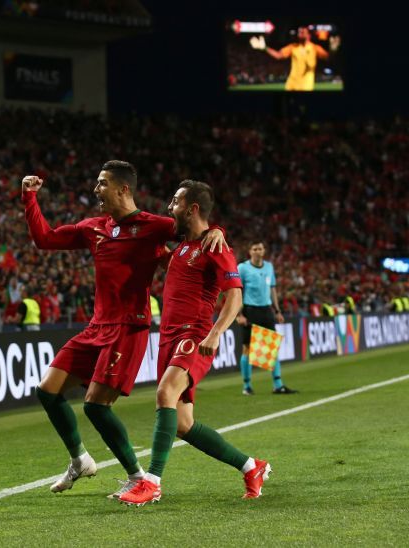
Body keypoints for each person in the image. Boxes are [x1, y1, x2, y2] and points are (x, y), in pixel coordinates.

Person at [21, 161, 228, 498]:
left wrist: (217, 229)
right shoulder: (94, 228)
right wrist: (29, 198)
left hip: (128, 328)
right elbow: (45, 239)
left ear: (123, 189)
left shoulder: (154, 226)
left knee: (95, 406)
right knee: (47, 390)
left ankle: (137, 475)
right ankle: (79, 459)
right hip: (96, 326)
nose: (95, 190)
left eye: (102, 184)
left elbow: (195, 226)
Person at [119, 180, 270, 506]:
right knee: (183, 424)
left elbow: (235, 295)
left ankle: (152, 483)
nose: (169, 207)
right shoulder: (184, 247)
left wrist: (215, 333)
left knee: (164, 393)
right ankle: (251, 467)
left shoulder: (215, 246)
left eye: (175, 202)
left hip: (194, 334)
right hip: (168, 338)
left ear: (193, 208)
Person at [236, 241, 296, 395]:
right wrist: (238, 314)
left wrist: (277, 310)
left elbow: (272, 290)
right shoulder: (242, 268)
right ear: (250, 251)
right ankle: (247, 386)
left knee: (271, 348)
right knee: (248, 349)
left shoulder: (269, 267)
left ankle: (278, 385)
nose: (257, 251)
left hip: (266, 310)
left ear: (264, 251)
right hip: (250, 311)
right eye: (254, 248)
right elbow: (236, 291)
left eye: (260, 248)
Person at [250, 26, 330, 91]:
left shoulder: (315, 48)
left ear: (308, 35)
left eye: (302, 32)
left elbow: (328, 57)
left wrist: (333, 50)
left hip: (306, 85)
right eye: (299, 32)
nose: (300, 33)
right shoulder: (293, 47)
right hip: (291, 84)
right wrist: (265, 48)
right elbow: (278, 55)